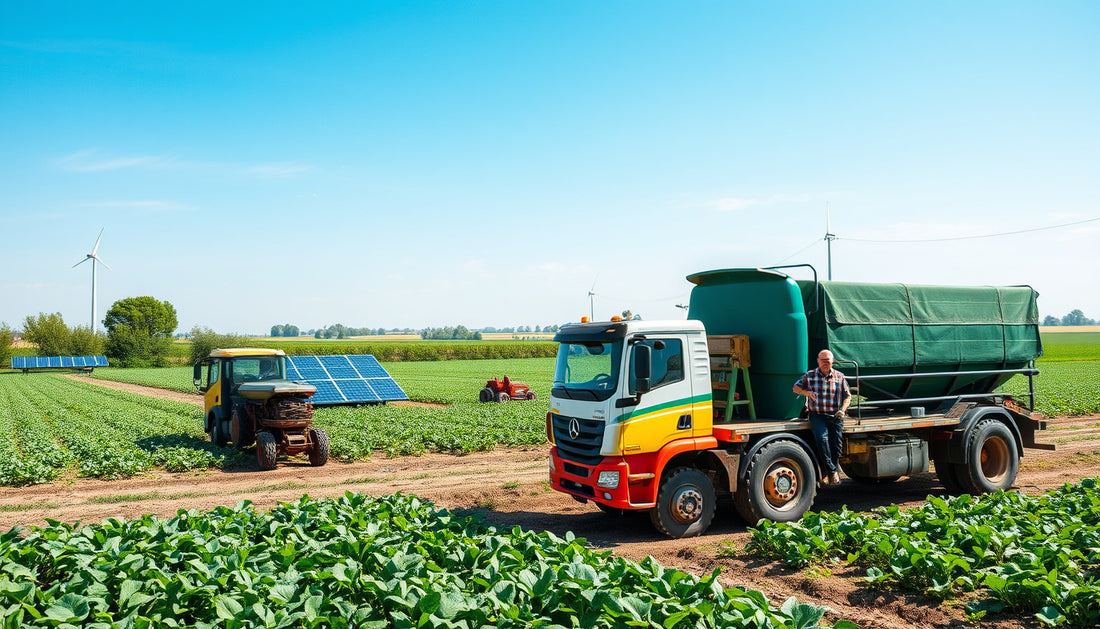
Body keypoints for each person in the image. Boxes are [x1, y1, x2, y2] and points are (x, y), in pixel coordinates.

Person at [793, 349, 851, 485]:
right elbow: (795, 388)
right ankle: (832, 471)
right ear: (818, 361)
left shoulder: (839, 376)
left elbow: (847, 396)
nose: (825, 363)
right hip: (817, 414)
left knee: (836, 444)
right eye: (823, 360)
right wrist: (807, 393)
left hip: (835, 415)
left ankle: (831, 471)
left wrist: (842, 411)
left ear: (832, 362)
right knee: (822, 439)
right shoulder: (810, 375)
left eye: (828, 361)